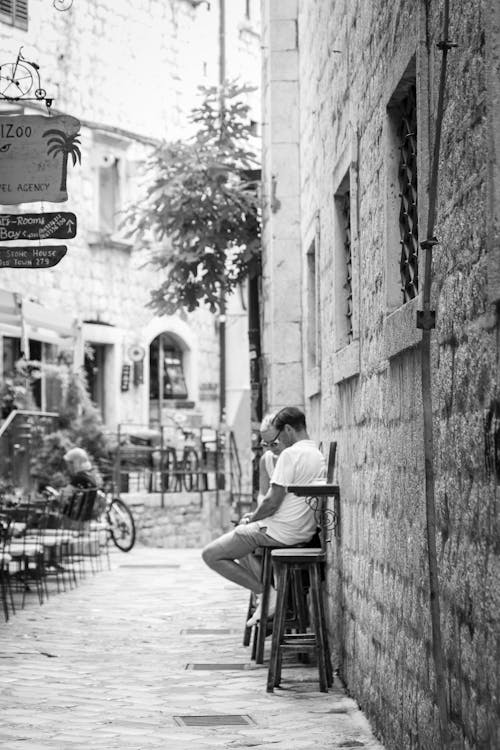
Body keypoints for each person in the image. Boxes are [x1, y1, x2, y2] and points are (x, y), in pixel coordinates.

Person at [201, 406, 326, 625]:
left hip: (282, 532)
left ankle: (267, 595)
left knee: (211, 555)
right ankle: (266, 595)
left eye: (277, 438)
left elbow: (271, 502)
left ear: (288, 430)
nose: (275, 446)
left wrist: (253, 518)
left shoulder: (290, 454)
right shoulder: (316, 454)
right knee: (242, 541)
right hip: (302, 531)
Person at [60, 447, 101, 522]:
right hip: (86, 516)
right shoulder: (90, 477)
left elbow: (64, 495)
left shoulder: (79, 478)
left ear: (75, 463)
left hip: (74, 519)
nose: (68, 467)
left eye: (70, 464)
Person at [257, 413, 282, 505]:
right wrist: (262, 505)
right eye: (265, 444)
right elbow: (263, 492)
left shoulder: (293, 457)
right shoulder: (266, 460)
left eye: (274, 444)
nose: (270, 448)